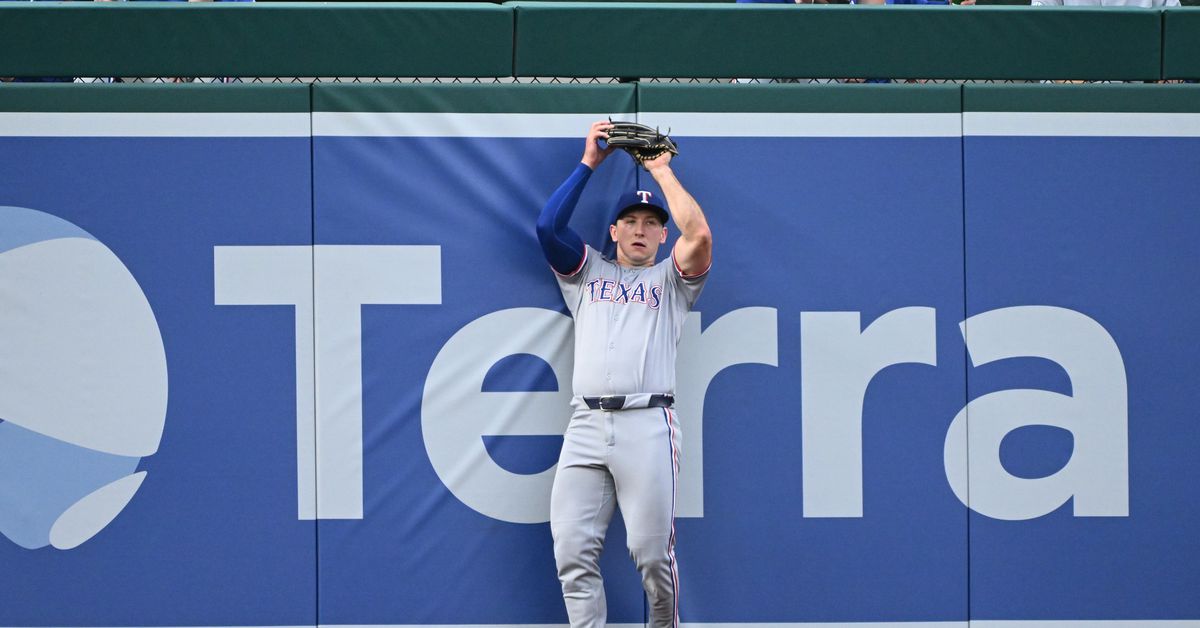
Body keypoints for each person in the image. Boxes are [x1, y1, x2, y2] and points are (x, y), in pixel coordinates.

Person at [535, 121, 713, 628]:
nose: (639, 229)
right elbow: (548, 228)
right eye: (629, 221)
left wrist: (662, 171)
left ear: (662, 234)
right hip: (586, 425)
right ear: (613, 231)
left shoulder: (671, 280)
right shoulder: (586, 271)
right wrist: (589, 162)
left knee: (653, 557)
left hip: (647, 423)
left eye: (650, 223)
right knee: (572, 553)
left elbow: (699, 235)